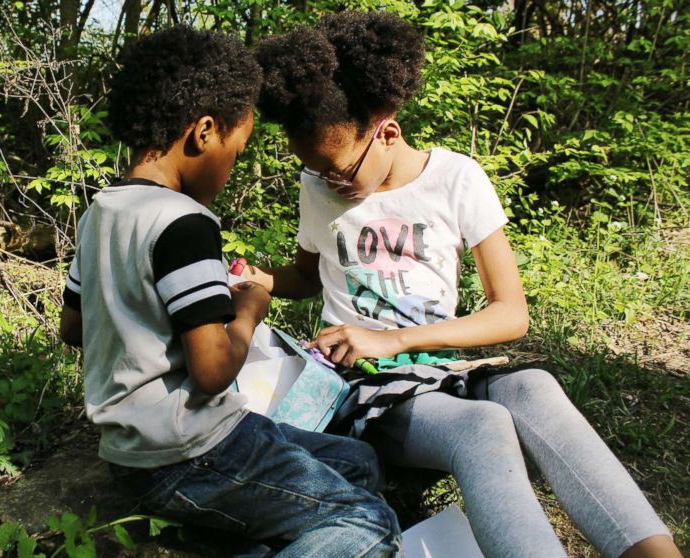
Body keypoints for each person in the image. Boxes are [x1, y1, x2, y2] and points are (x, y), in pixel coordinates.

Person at [243, 11, 681, 558]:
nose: (330, 181)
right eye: (316, 171)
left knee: (534, 389)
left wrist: (395, 339)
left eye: (339, 169)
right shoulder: (319, 187)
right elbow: (307, 276)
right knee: (483, 426)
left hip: (441, 368)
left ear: (387, 132)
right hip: (365, 386)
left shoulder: (456, 179)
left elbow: (510, 314)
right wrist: (262, 278)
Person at [58, 26, 400, 557]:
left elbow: (73, 329)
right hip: (192, 450)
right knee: (369, 521)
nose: (232, 168)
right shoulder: (187, 224)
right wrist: (248, 311)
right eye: (236, 152)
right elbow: (214, 370)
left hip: (131, 454)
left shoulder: (102, 212)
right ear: (204, 132)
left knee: (359, 463)